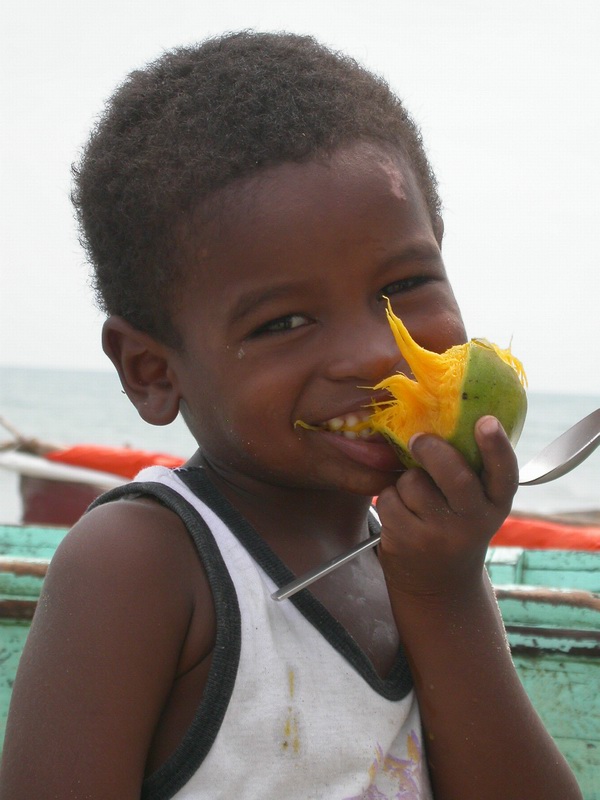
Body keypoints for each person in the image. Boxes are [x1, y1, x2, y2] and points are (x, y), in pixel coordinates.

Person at [0, 32, 582, 800]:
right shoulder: (139, 565)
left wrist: (446, 589)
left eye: (404, 284)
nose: (375, 354)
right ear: (152, 371)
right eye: (283, 323)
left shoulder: (420, 565)